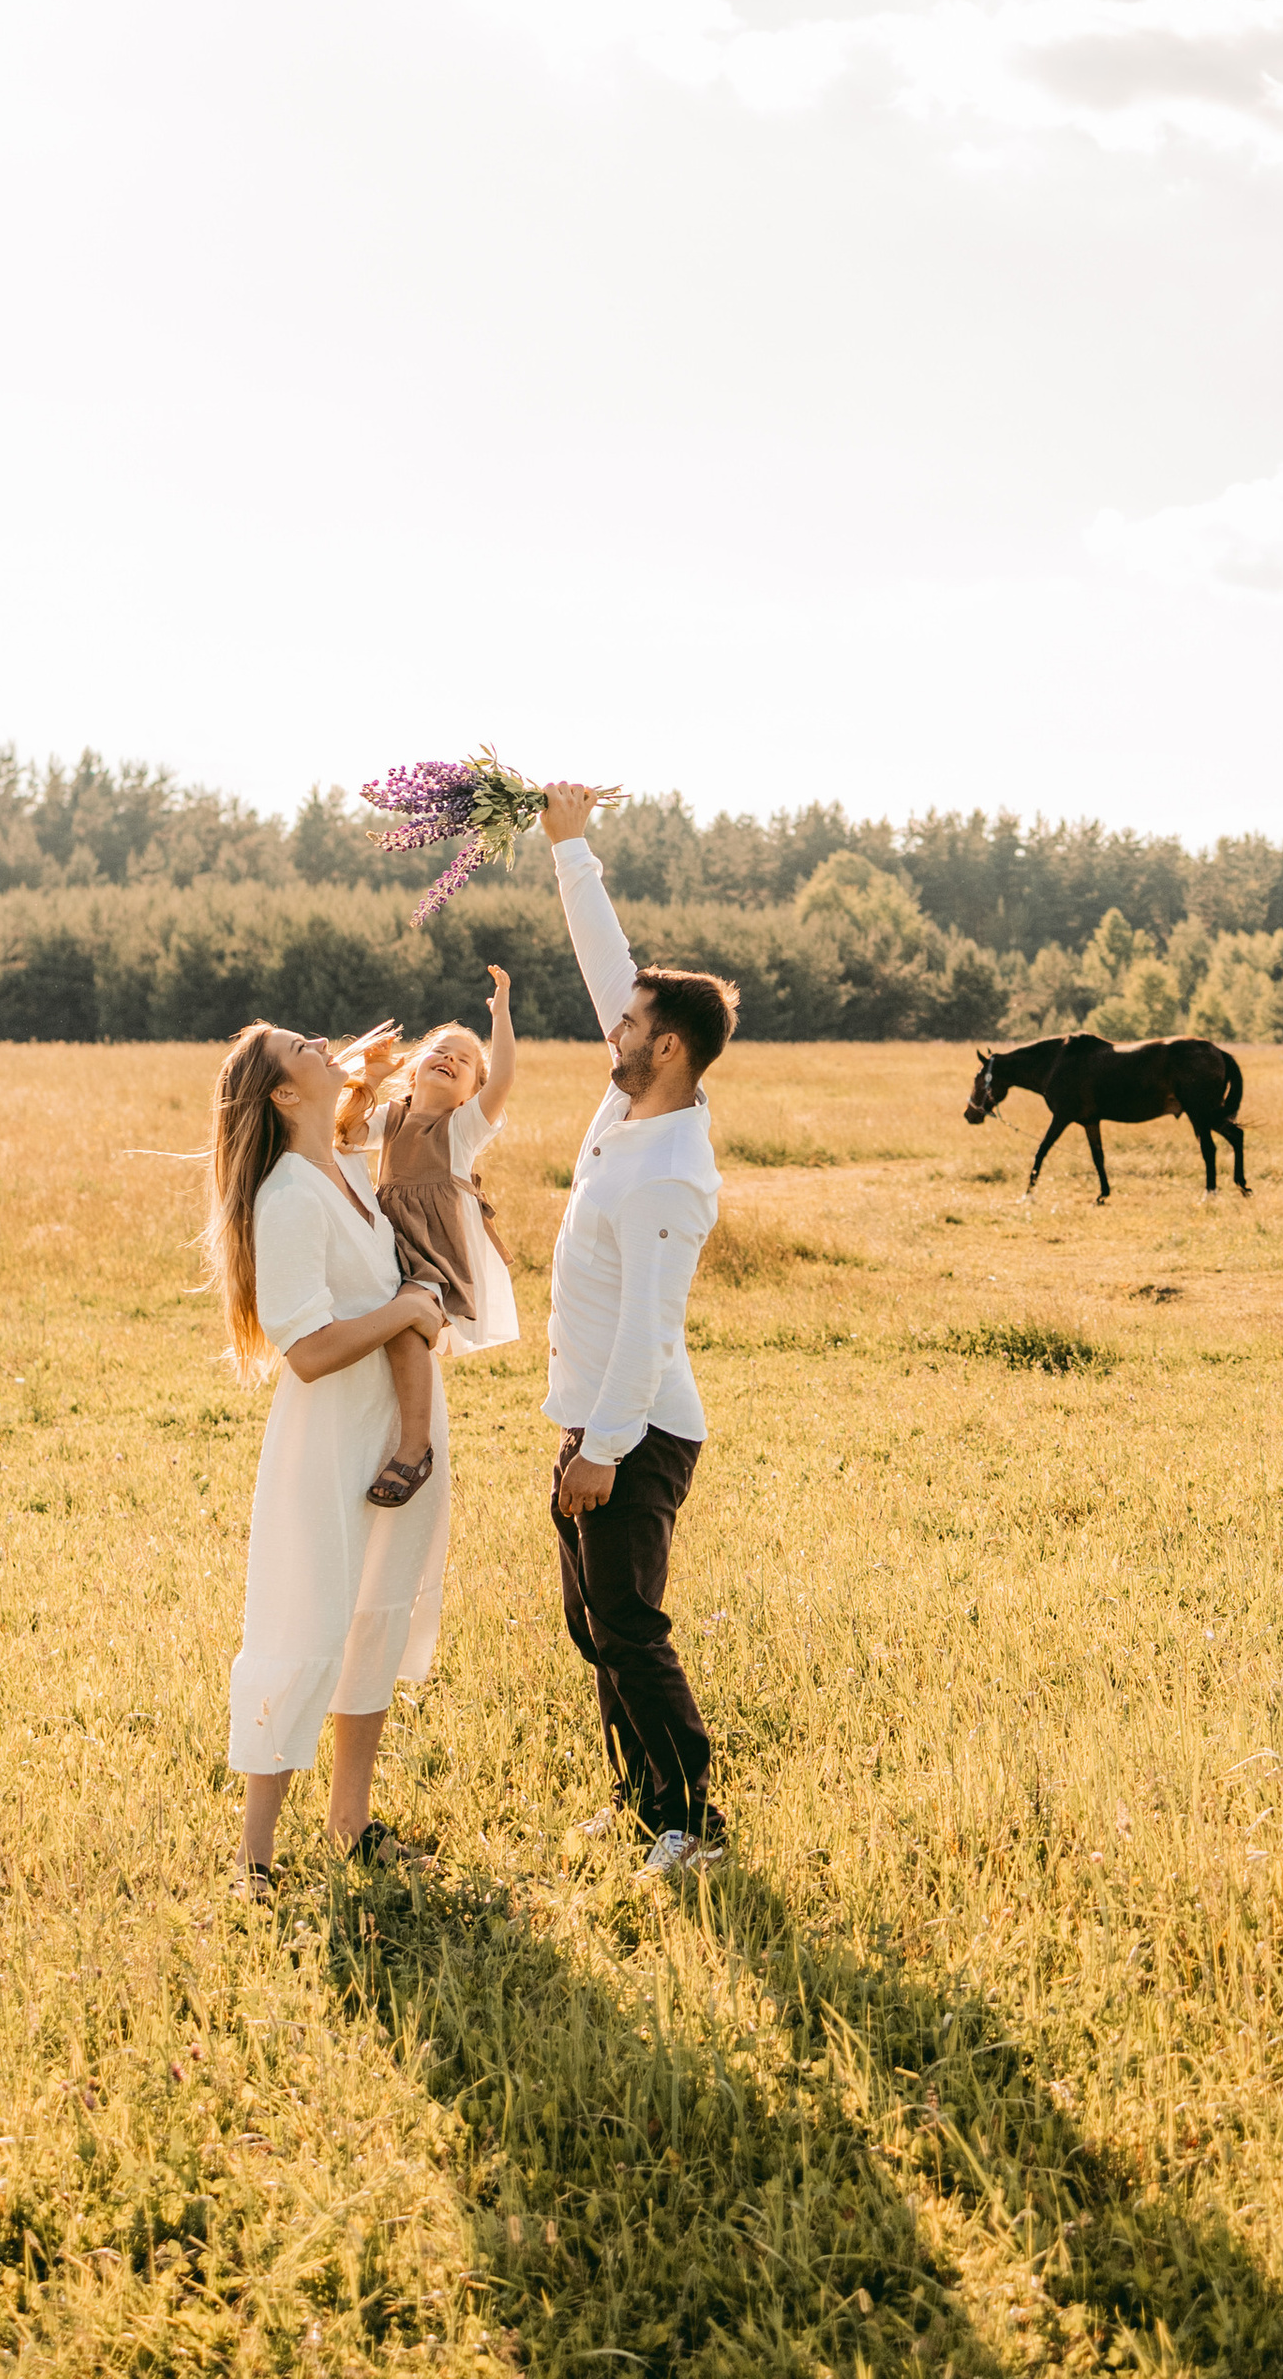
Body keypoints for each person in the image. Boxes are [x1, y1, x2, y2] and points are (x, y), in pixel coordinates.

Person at [540, 779, 737, 1879]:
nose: (611, 1027)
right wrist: (573, 850)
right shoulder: (634, 1103)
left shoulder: (669, 1171)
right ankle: (638, 1802)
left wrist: (602, 1454)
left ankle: (691, 1826)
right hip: (588, 1421)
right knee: (592, 1625)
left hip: (636, 1433)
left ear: (667, 1051)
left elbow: (652, 1335)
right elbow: (614, 974)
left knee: (628, 1626)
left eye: (629, 1028)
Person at [206, 1020, 452, 1891]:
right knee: (301, 1623)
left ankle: (351, 1823)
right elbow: (306, 1349)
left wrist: (367, 1077)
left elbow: (361, 1120)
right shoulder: (288, 1197)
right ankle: (255, 1857)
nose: (323, 1044)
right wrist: (408, 1308)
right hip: (329, 1435)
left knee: (375, 1617)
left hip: (393, 1428)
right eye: (301, 1049)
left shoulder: (340, 1170)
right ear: (281, 1093)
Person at [339, 969, 522, 1506]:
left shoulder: (462, 1129)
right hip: (385, 1251)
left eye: (464, 1061)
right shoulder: (391, 1119)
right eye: (441, 1050)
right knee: (377, 1324)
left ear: (472, 1093)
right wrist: (370, 1076)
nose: (450, 1058)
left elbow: (505, 1075)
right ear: (415, 1069)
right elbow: (346, 1132)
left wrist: (501, 1010)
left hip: (435, 1259)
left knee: (404, 1326)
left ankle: (414, 1448)